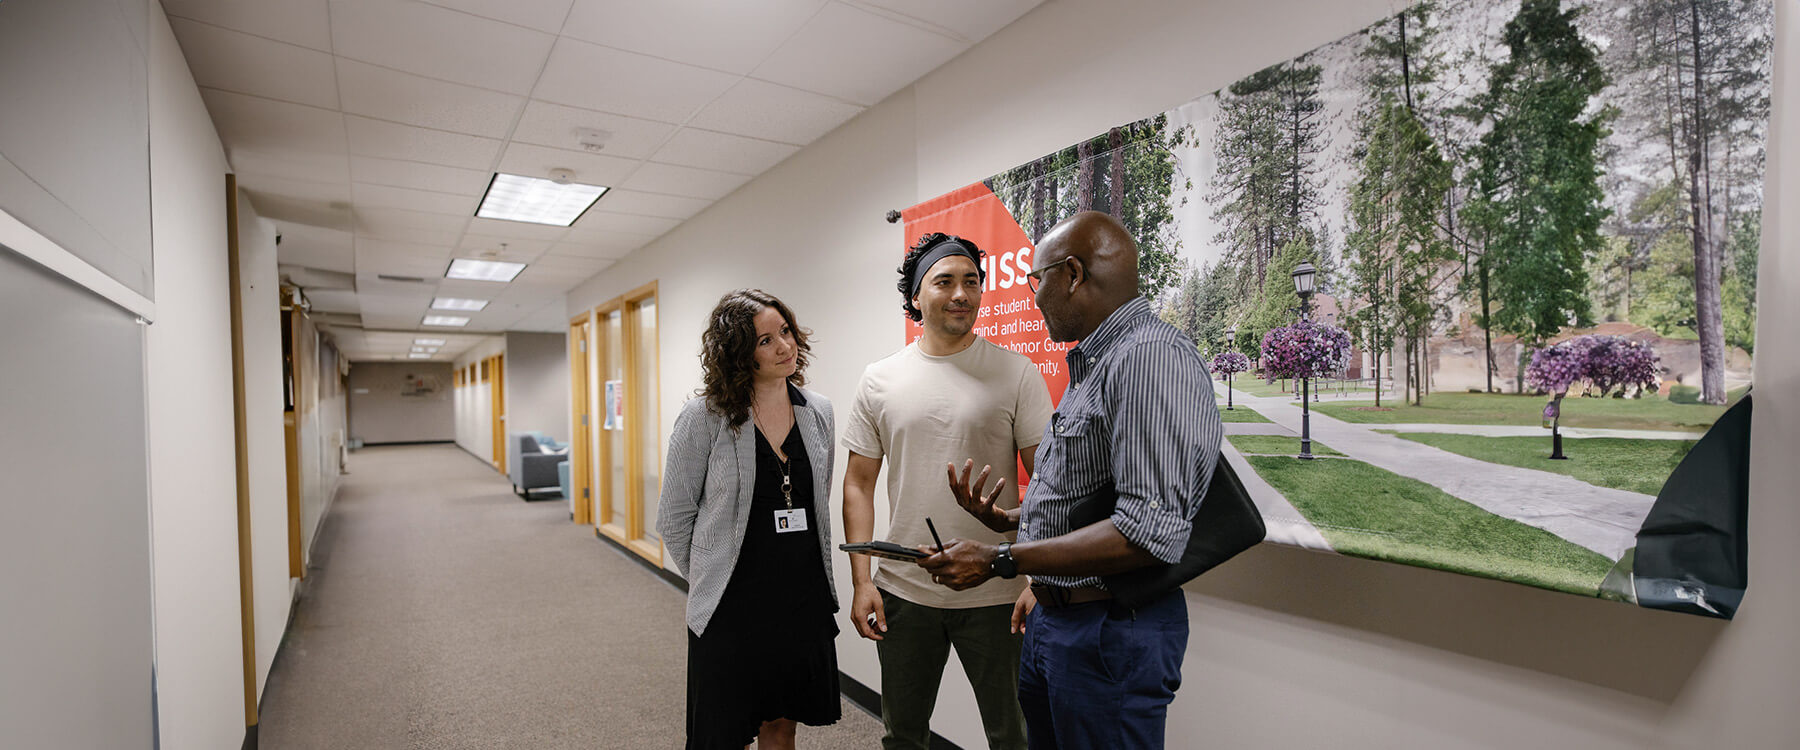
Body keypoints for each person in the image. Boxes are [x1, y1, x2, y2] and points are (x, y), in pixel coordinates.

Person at [919, 212, 1223, 749]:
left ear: (1074, 274)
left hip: (1108, 633)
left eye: (1038, 282)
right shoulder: (1097, 365)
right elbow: (1096, 499)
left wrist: (1001, 560)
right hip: (1060, 623)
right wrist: (1014, 522)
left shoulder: (1148, 358)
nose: (1034, 299)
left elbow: (1147, 531)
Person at [841, 233, 1052, 750]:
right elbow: (858, 483)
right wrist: (862, 581)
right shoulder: (880, 379)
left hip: (999, 591)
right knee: (904, 736)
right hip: (905, 590)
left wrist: (1039, 577)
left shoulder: (1015, 373)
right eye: (945, 281)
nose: (962, 293)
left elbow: (1052, 486)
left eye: (972, 282)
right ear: (916, 295)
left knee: (1013, 736)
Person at [657, 289, 841, 750]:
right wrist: (710, 578)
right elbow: (675, 520)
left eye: (785, 332)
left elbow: (817, 497)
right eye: (764, 340)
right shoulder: (703, 418)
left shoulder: (817, 412)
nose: (784, 346)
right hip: (730, 606)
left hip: (800, 598)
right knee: (721, 729)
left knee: (782, 721)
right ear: (738, 352)